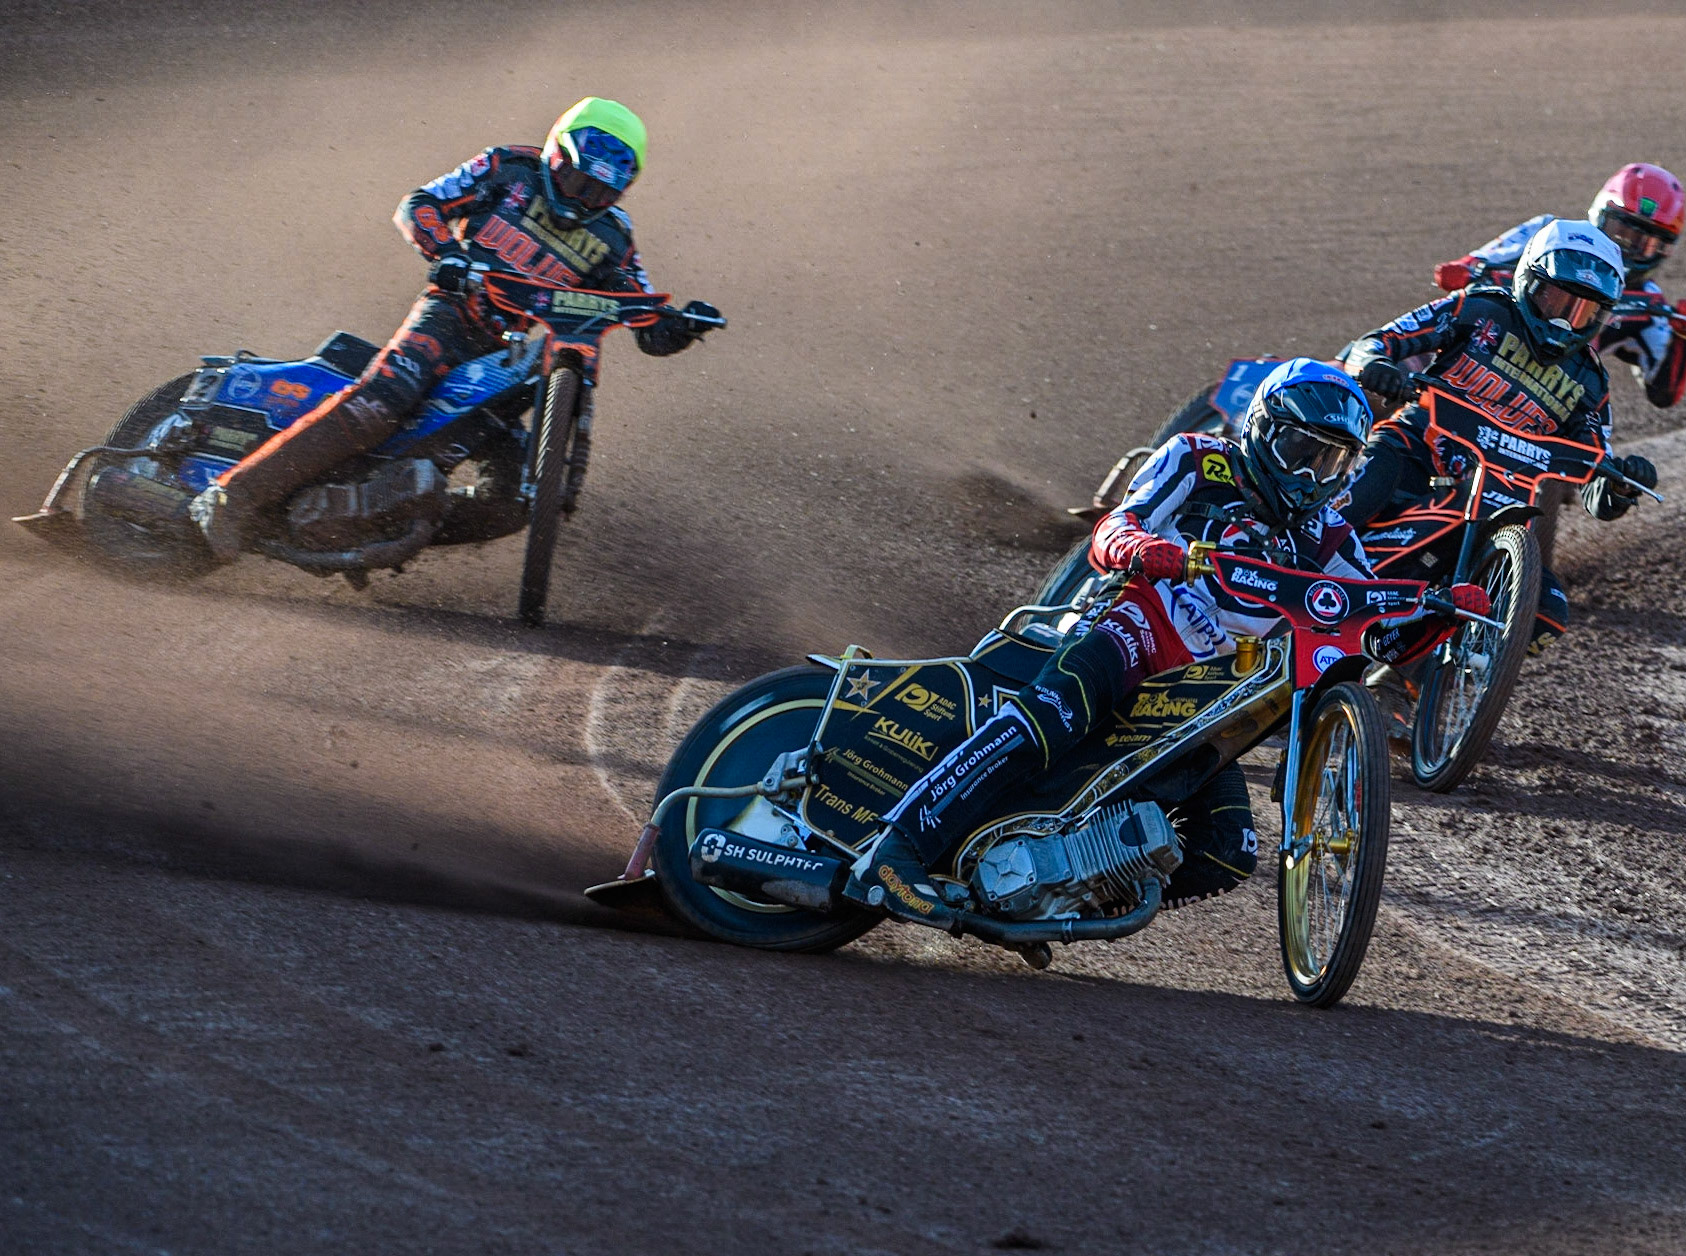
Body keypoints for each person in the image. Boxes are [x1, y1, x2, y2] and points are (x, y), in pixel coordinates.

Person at [848, 359, 1487, 927]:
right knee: (1054, 714)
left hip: (1210, 697)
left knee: (1228, 853)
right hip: (1135, 629)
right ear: (1264, 428)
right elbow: (1113, 531)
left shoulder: (1331, 536)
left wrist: (1444, 615)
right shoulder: (1196, 459)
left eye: (1333, 462)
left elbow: (1378, 633)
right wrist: (1143, 548)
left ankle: (1060, 889)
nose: (1312, 475)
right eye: (1301, 450)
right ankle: (895, 849)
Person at [190, 97, 720, 561]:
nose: (583, 199)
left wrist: (681, 325)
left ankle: (372, 520)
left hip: (505, 355)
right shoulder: (506, 167)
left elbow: (644, 323)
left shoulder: (614, 237)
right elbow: (419, 206)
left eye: (599, 193)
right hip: (448, 314)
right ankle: (232, 496)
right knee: (384, 401)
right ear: (557, 154)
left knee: (514, 500)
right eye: (578, 180)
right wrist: (444, 253)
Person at [1343, 217, 1657, 652]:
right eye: (1556, 301)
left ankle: (1408, 680)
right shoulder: (1478, 308)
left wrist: (1619, 486)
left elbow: (1594, 476)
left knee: (1546, 615)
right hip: (1414, 455)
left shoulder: (1591, 382)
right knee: (1348, 510)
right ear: (1528, 280)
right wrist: (1376, 367)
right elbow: (1379, 341)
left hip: (1496, 508)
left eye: (1583, 312)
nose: (1565, 322)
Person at [1431, 163, 1686, 410]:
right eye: (1621, 233)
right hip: (1481, 349)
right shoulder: (1549, 233)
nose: (1626, 249)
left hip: (1548, 396)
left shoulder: (1650, 304)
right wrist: (1463, 271)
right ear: (1600, 214)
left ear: (1664, 250)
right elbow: (1475, 264)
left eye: (1645, 244)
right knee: (1413, 366)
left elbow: (1663, 394)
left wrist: (1683, 338)